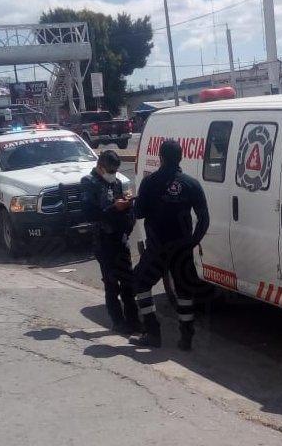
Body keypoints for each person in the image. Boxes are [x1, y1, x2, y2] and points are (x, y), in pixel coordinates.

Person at [131, 139, 210, 350]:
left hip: (157, 248)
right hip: (182, 249)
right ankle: (186, 338)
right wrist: (193, 242)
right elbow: (204, 219)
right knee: (185, 293)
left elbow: (139, 213)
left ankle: (152, 332)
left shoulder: (149, 183)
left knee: (141, 284)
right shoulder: (192, 184)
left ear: (161, 157)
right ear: (181, 157)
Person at [81, 150, 140, 334]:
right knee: (111, 283)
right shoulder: (89, 183)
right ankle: (118, 321)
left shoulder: (116, 182)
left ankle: (133, 321)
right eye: (110, 170)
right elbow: (90, 213)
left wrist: (126, 205)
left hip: (120, 238)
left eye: (115, 171)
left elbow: (124, 210)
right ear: (100, 167)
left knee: (128, 283)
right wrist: (113, 207)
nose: (112, 174)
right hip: (104, 240)